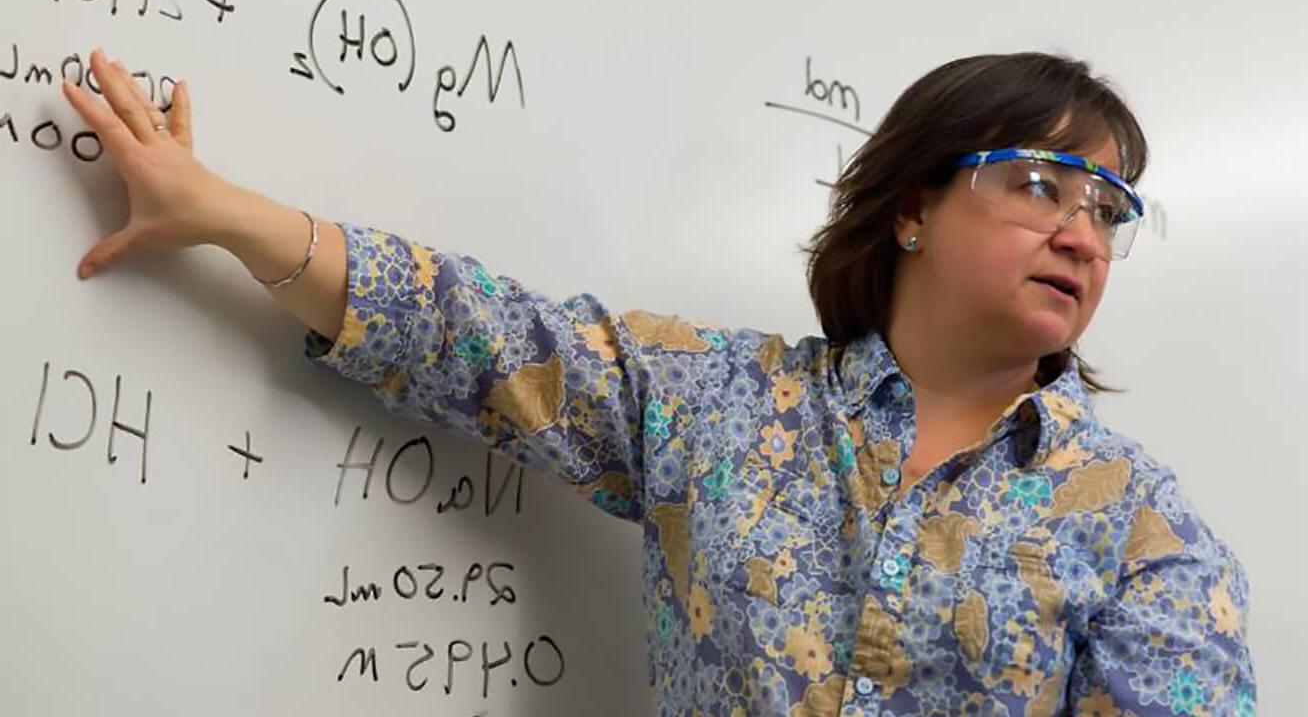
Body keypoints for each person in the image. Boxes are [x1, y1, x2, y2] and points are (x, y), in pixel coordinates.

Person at [61, 48, 1256, 716]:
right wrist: (217, 212)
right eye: (1042, 185)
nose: (1084, 234)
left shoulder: (1143, 532)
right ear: (913, 210)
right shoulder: (725, 403)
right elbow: (471, 334)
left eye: (1109, 210)